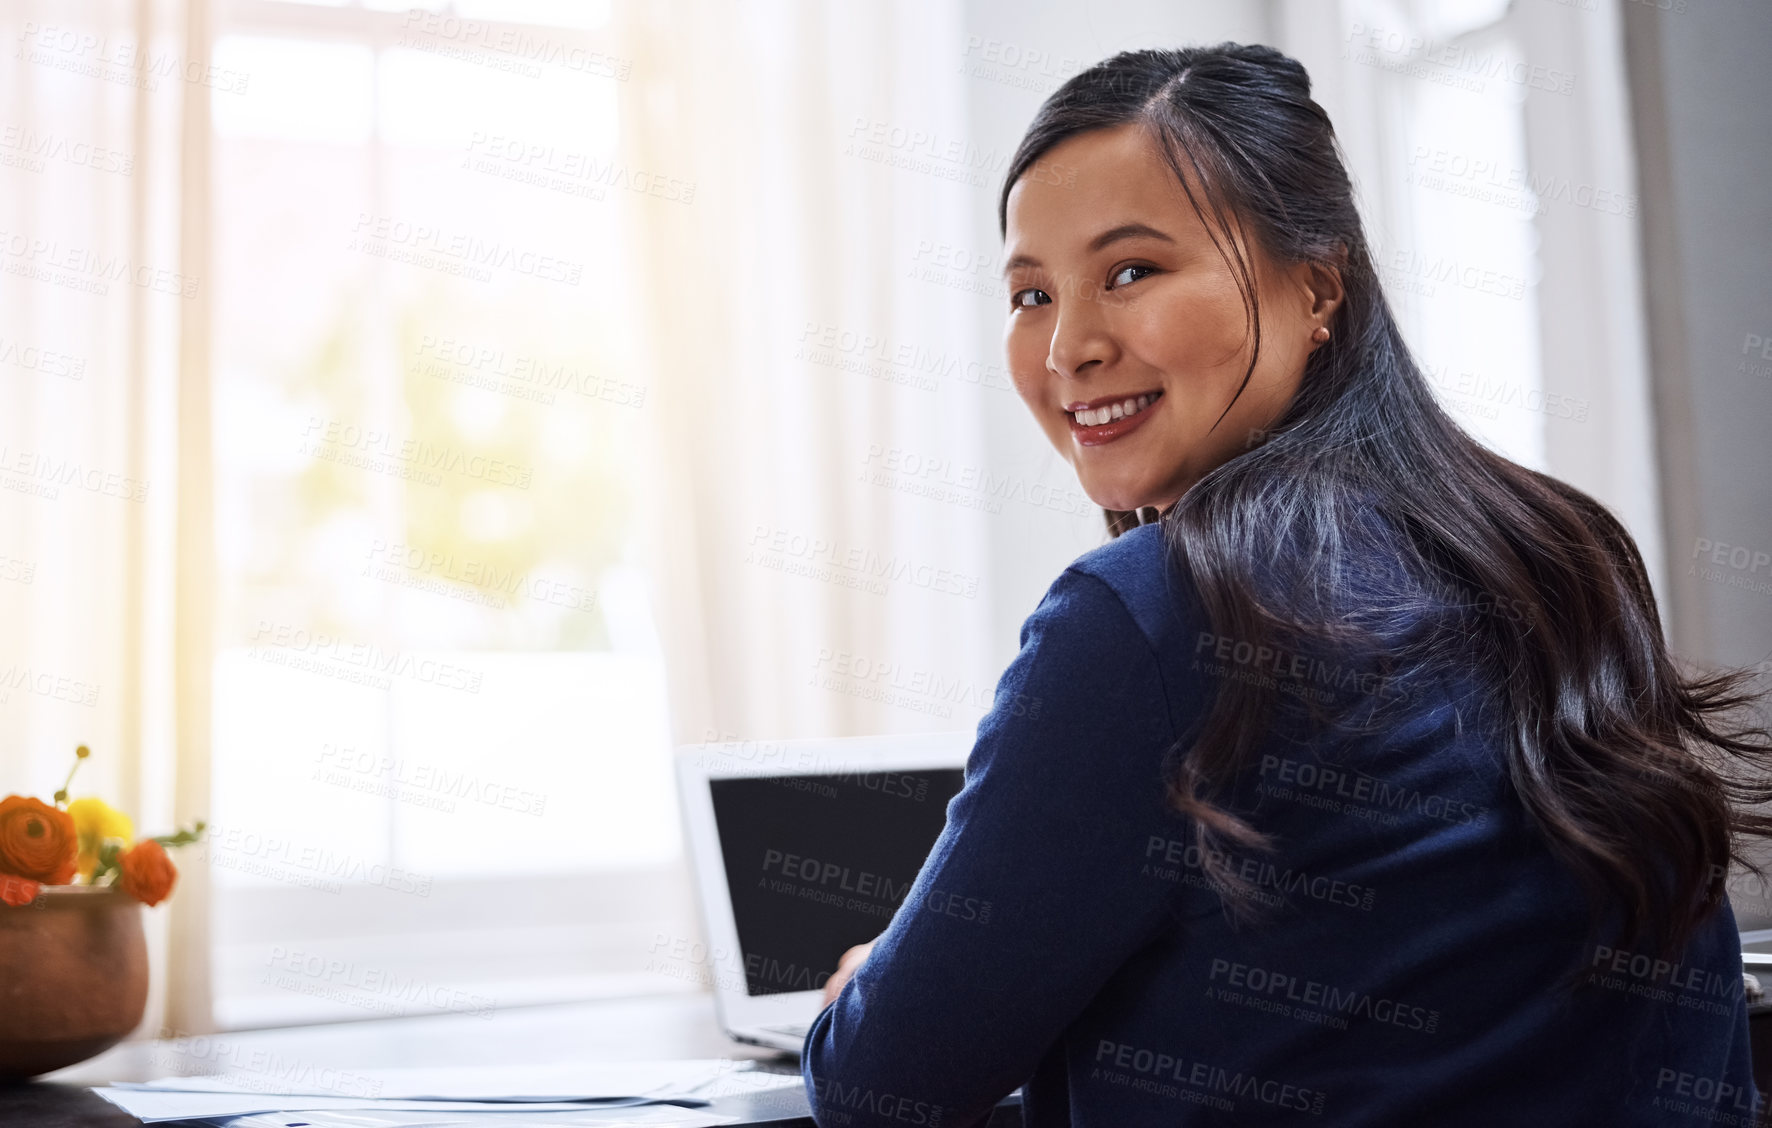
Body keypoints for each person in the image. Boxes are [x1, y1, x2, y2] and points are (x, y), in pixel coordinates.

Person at [798, 42, 1772, 1127]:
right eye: (1030, 294)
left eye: (1130, 272)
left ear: (1315, 284)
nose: (1068, 346)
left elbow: (879, 1084)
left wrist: (873, 977)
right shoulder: (1560, 550)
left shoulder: (1148, 616)